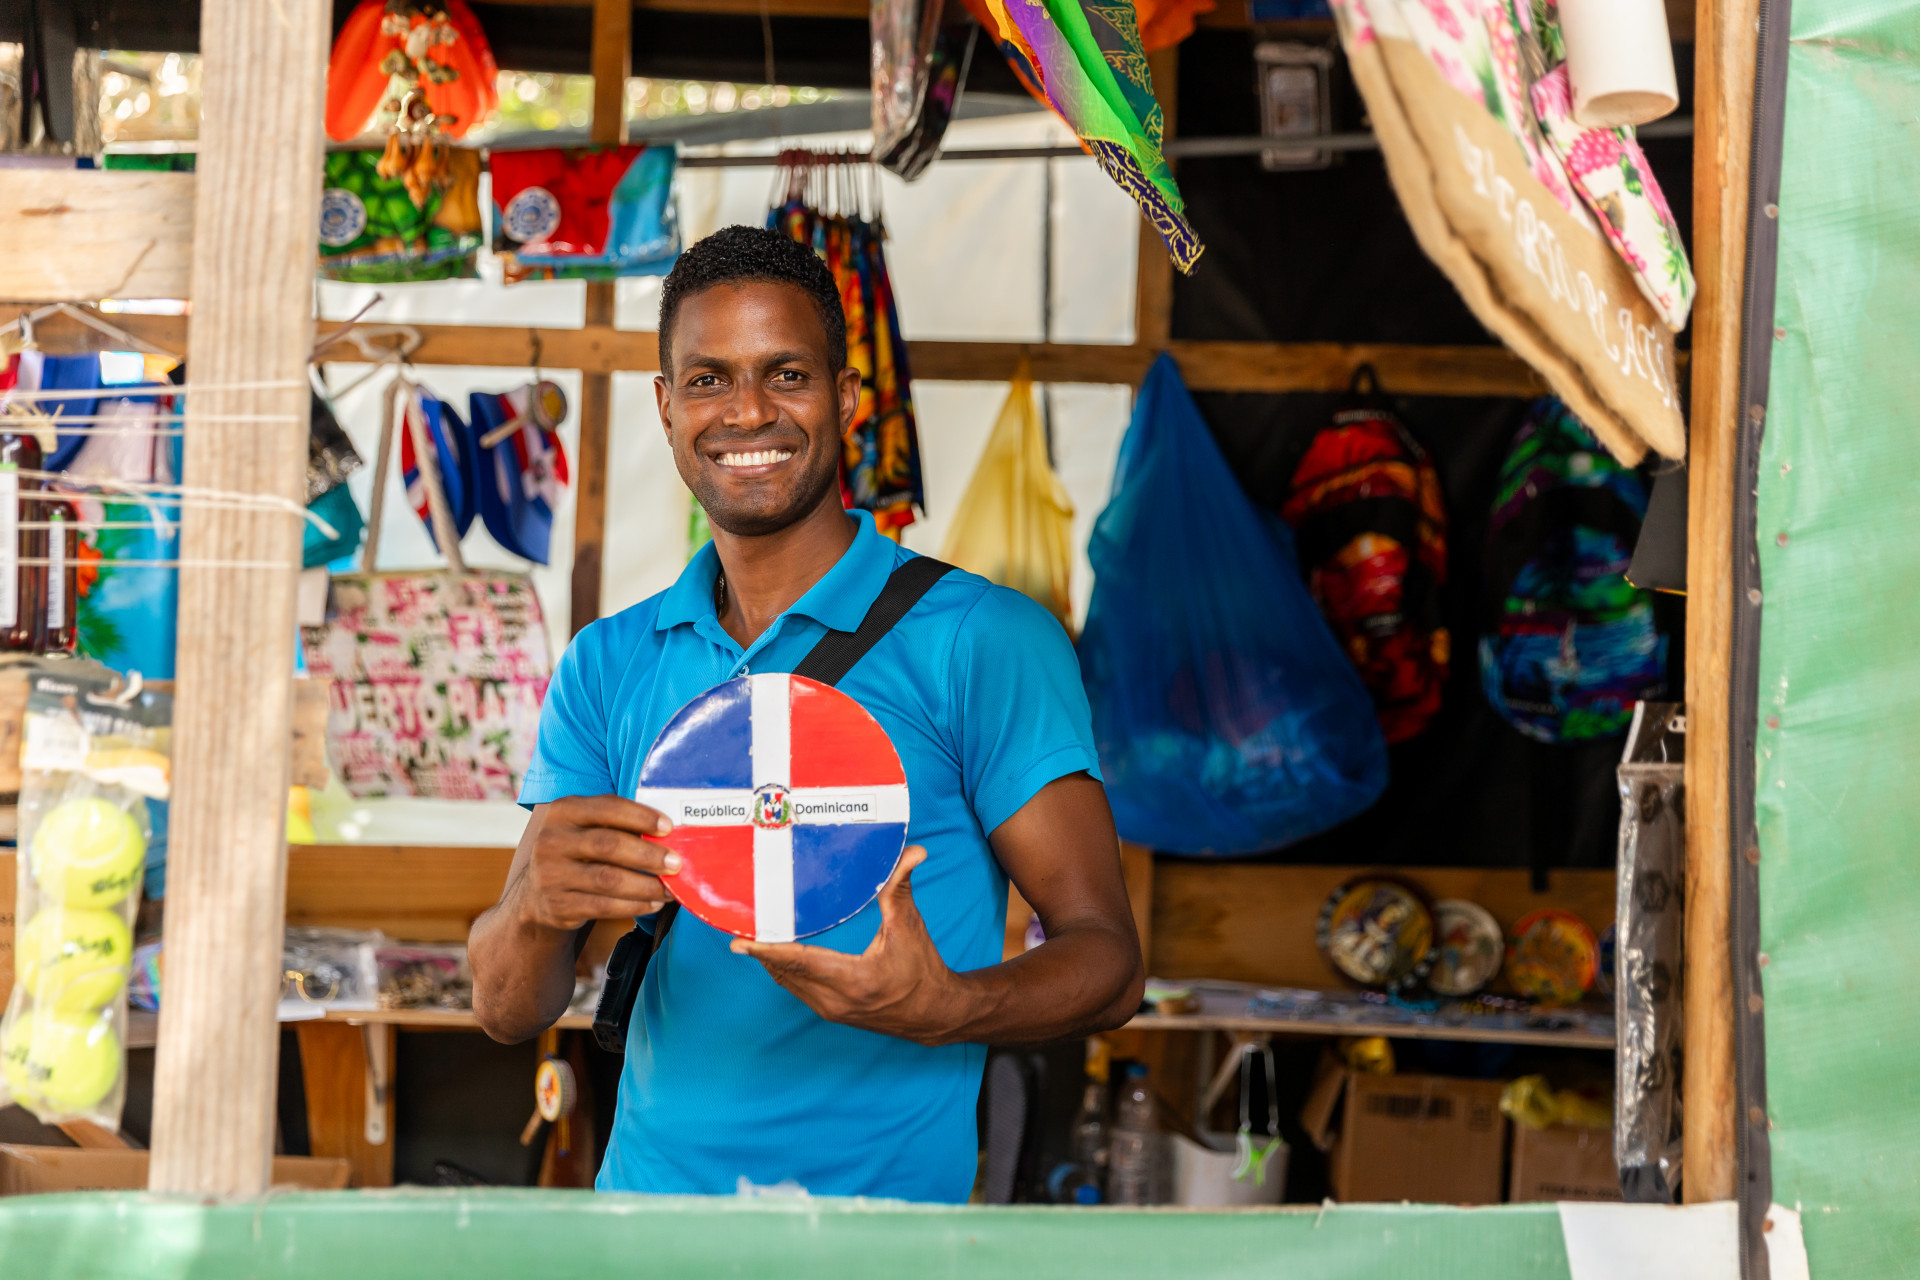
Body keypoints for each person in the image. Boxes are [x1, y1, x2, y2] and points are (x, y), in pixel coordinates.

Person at [469, 225, 1144, 1202]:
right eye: (708, 379)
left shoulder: (982, 640)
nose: (747, 411)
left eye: (785, 374)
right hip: (646, 1227)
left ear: (847, 396)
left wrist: (949, 1006)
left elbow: (1109, 962)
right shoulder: (608, 663)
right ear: (665, 405)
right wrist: (532, 909)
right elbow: (505, 1008)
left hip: (882, 1241)